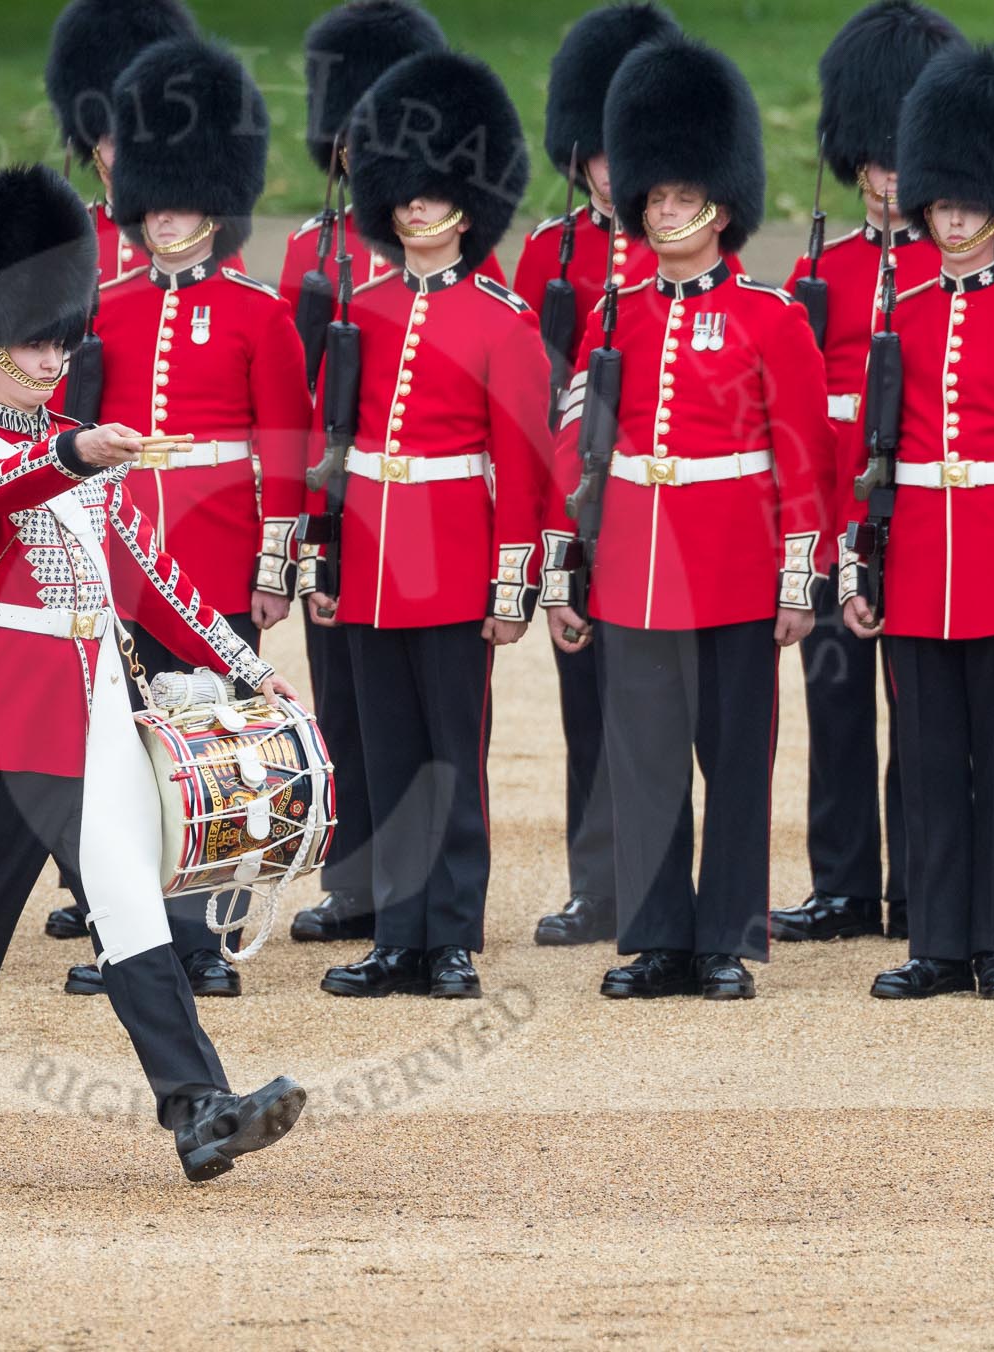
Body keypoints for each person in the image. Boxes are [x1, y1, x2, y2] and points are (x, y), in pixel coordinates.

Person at [0, 163, 306, 1181]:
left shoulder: (83, 458)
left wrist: (253, 670)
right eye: (35, 339)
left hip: (97, 718)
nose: (52, 355)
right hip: (0, 718)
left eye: (59, 336)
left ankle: (199, 1109)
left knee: (130, 907)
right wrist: (77, 452)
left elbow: (160, 586)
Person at [543, 36, 828, 1001]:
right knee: (646, 759)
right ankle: (658, 934)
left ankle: (727, 937)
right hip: (634, 566)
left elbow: (800, 457)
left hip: (734, 567)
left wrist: (798, 578)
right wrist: (568, 568)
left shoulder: (770, 316)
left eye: (681, 200)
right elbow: (580, 448)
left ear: (720, 206)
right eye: (654, 200)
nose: (664, 214)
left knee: (736, 761)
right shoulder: (616, 312)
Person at [53, 36, 310, 1000]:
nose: (166, 219)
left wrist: (275, 564)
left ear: (215, 204)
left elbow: (283, 444)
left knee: (214, 752)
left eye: (184, 201)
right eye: (153, 202)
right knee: (120, 752)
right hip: (124, 557)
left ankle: (203, 939)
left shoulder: (258, 312)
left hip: (213, 554)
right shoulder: (106, 308)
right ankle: (130, 938)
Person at [840, 43, 994, 1000]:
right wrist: (868, 568)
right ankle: (936, 941)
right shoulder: (897, 313)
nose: (950, 217)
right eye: (940, 203)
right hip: (919, 569)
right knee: (929, 762)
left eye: (966, 204)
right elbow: (876, 459)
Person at [303, 51, 546, 1001]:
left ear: (465, 204)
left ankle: (450, 933)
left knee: (452, 755)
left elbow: (521, 467)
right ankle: (396, 935)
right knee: (388, 751)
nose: (413, 209)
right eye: (401, 193)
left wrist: (512, 581)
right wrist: (323, 561)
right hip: (368, 559)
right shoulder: (360, 309)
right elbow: (331, 452)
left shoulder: (503, 319)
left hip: (452, 558)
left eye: (432, 192)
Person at [769, 0, 958, 946]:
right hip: (834, 524)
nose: (886, 179)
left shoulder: (949, 273)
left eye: (901, 159)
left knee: (922, 718)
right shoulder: (826, 268)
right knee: (835, 708)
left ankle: (922, 889)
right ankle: (844, 884)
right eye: (874, 161)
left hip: (922, 523)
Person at [279, 0, 448, 947]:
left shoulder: (444, 244)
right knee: (342, 694)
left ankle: (431, 892)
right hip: (336, 499)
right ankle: (355, 880)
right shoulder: (312, 247)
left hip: (419, 501)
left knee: (427, 704)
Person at [514, 0, 678, 949]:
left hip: (661, 502)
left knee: (657, 703)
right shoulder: (550, 249)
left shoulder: (683, 245)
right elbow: (539, 392)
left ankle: (657, 877)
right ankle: (598, 880)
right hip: (581, 506)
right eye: (603, 152)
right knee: (587, 703)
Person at [37, 0, 201, 944]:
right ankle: (92, 875)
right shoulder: (70, 241)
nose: (112, 154)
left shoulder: (170, 242)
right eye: (99, 139)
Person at [43, 0, 196, 293]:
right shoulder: (62, 241)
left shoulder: (196, 240)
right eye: (115, 141)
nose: (127, 157)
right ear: (92, 143)